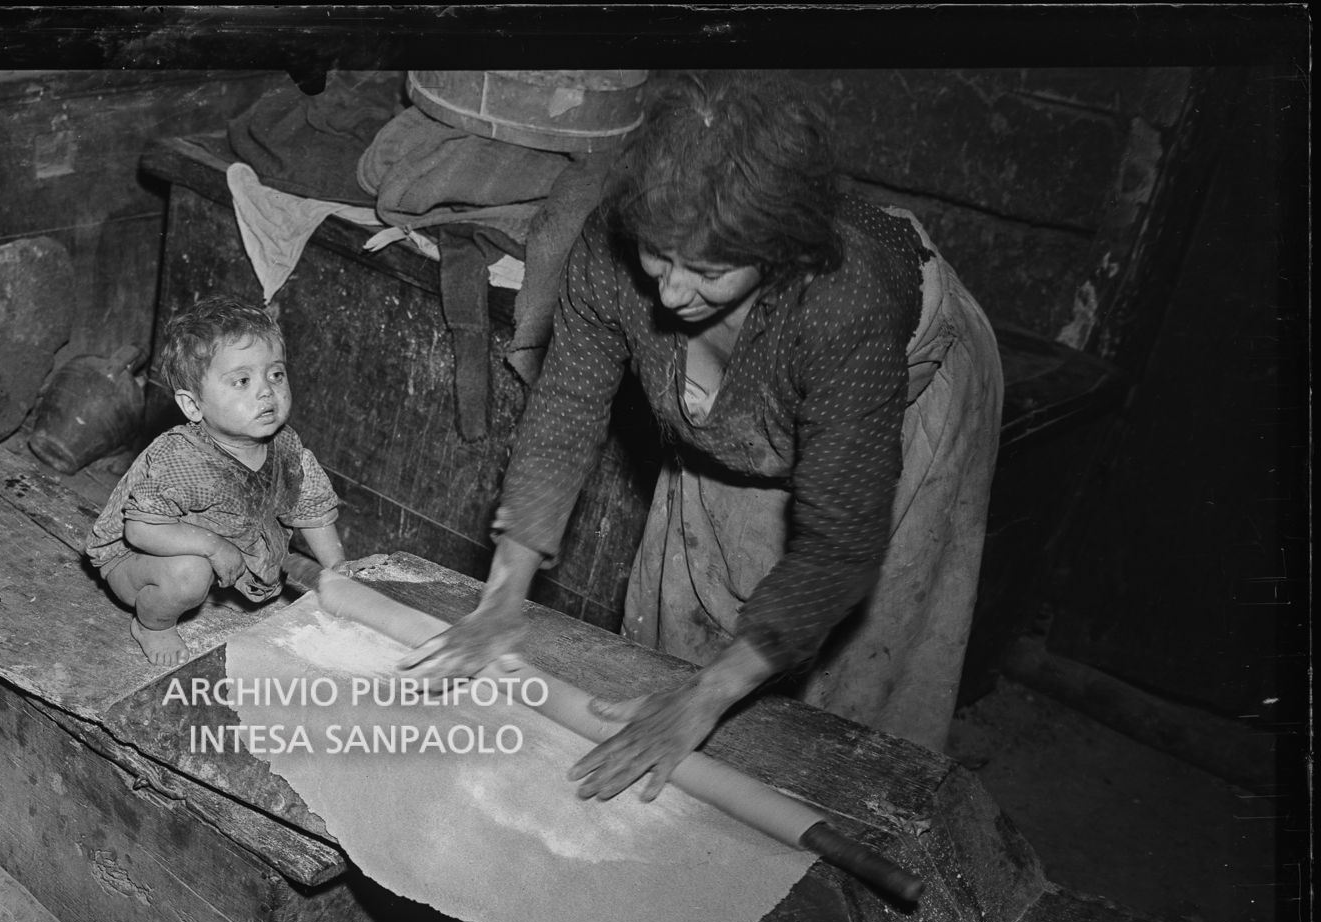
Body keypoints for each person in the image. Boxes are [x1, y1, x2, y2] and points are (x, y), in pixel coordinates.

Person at [404, 74, 1004, 801]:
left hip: (902, 392)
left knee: (849, 707)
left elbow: (842, 543)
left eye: (710, 272)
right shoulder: (619, 246)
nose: (671, 294)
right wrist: (504, 596)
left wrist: (702, 702)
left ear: (777, 253)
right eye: (660, 257)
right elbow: (566, 408)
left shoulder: (842, 304)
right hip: (742, 414)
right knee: (672, 646)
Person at [85, 295, 352, 664]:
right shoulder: (182, 459)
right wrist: (213, 547)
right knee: (190, 572)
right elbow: (140, 531)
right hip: (137, 557)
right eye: (241, 380)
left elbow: (310, 506)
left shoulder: (285, 445)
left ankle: (214, 576)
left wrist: (339, 573)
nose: (265, 391)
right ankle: (152, 625)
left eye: (275, 374)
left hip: (222, 548)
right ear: (194, 405)